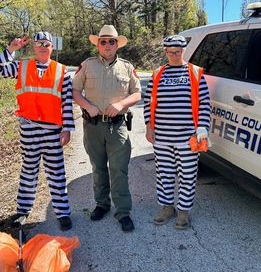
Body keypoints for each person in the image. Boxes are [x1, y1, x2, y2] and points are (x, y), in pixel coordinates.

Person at [0, 31, 75, 231]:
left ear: (52, 47)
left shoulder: (62, 71)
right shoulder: (21, 66)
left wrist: (68, 129)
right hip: (28, 128)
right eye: (39, 44)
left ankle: (62, 212)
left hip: (53, 129)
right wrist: (11, 49)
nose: (43, 47)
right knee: (29, 170)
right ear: (34, 47)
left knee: (56, 172)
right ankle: (23, 210)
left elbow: (67, 103)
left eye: (47, 43)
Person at [72, 25, 141, 232]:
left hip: (117, 127)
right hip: (93, 127)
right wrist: (88, 106)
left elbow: (137, 94)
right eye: (103, 41)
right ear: (98, 44)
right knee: (98, 168)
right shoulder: (87, 65)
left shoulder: (127, 67)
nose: (108, 45)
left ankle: (123, 212)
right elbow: (75, 91)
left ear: (117, 44)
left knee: (119, 170)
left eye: (112, 41)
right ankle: (102, 205)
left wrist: (121, 105)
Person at [143, 35, 211, 230]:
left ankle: (183, 211)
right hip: (162, 136)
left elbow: (205, 103)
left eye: (178, 52)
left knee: (188, 174)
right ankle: (167, 207)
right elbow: (148, 103)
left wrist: (202, 127)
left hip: (188, 135)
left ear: (183, 51)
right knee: (164, 173)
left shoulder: (195, 73)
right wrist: (149, 126)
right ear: (165, 52)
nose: (174, 55)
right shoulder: (157, 74)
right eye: (170, 52)